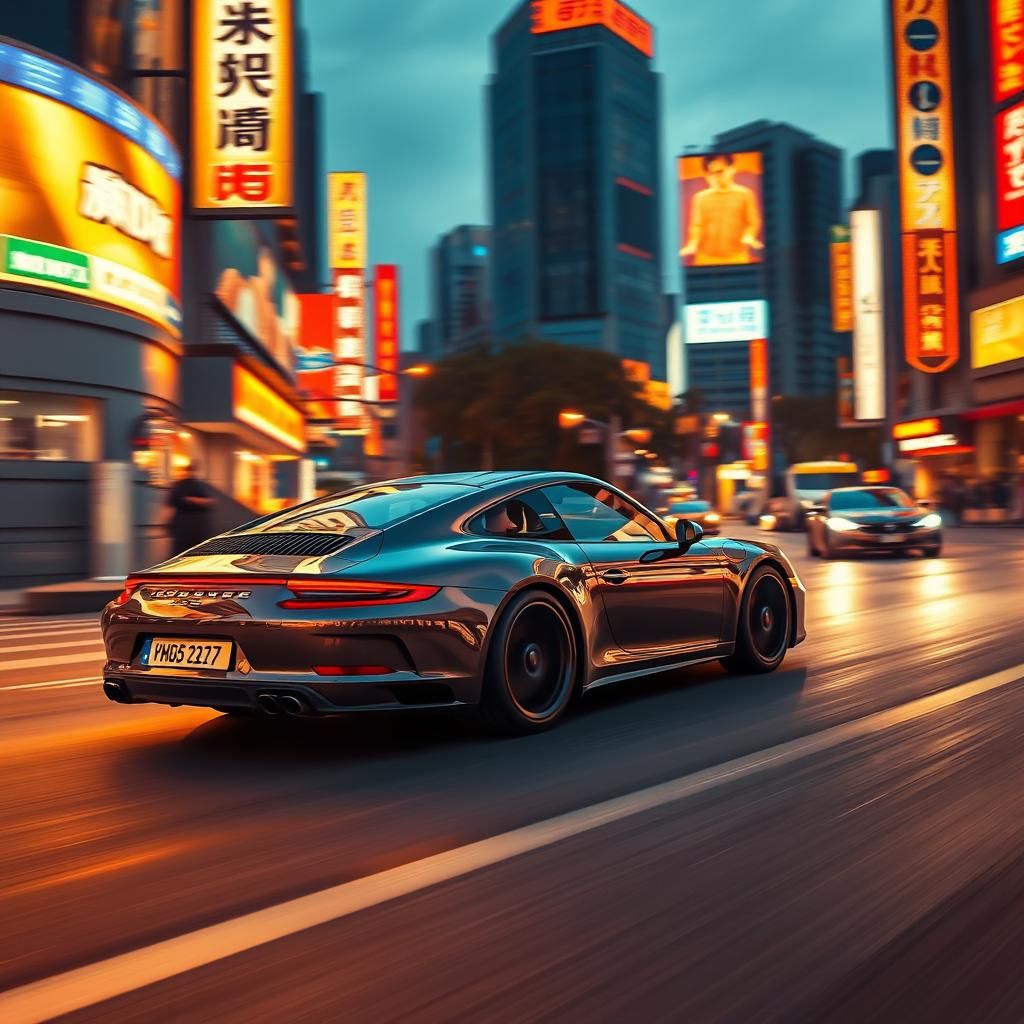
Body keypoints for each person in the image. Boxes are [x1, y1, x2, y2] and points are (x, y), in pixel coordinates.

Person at [681, 153, 764, 266]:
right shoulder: (700, 198)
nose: (715, 177)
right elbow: (697, 225)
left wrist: (749, 235)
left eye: (720, 172)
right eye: (711, 173)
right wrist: (693, 244)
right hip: (706, 259)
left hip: (736, 258)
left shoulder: (745, 194)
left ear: (732, 169)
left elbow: (753, 222)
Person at [167, 461, 216, 554]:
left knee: (182, 553)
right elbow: (210, 502)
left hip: (186, 527)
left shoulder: (180, 486)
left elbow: (170, 506)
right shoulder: (197, 486)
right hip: (194, 527)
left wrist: (191, 500)